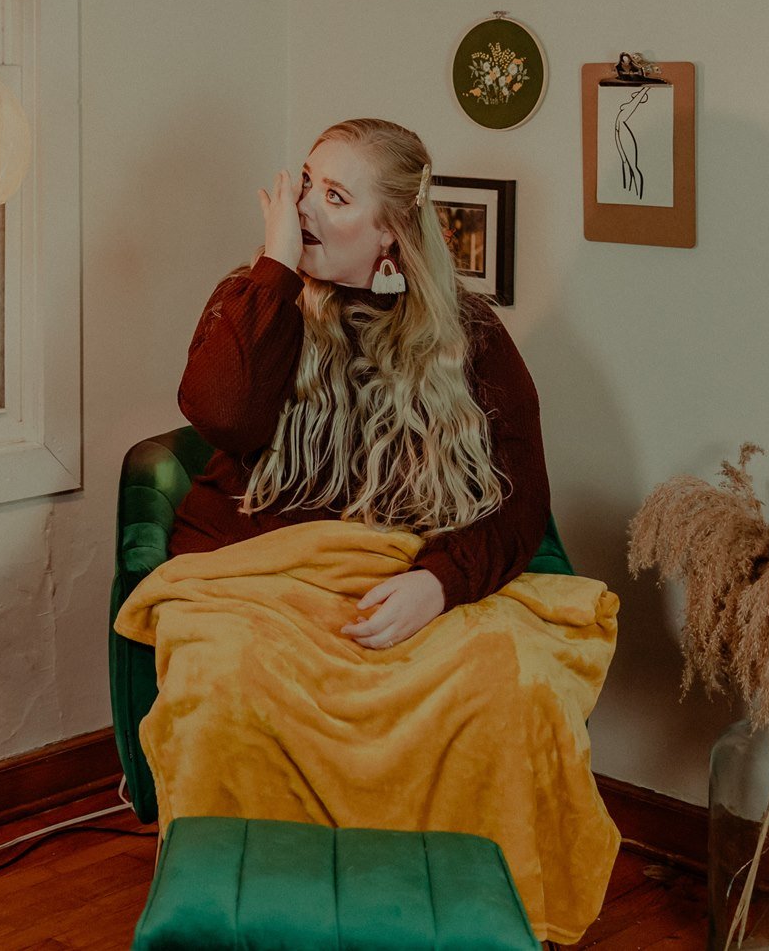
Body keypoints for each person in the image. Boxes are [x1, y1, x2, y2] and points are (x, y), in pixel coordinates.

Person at [168, 117, 553, 649]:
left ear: (390, 230)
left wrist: (439, 583)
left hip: (386, 587)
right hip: (246, 580)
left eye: (335, 197)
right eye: (306, 182)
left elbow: (521, 499)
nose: (303, 206)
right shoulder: (254, 298)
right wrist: (276, 267)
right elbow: (223, 416)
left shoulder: (470, 333)